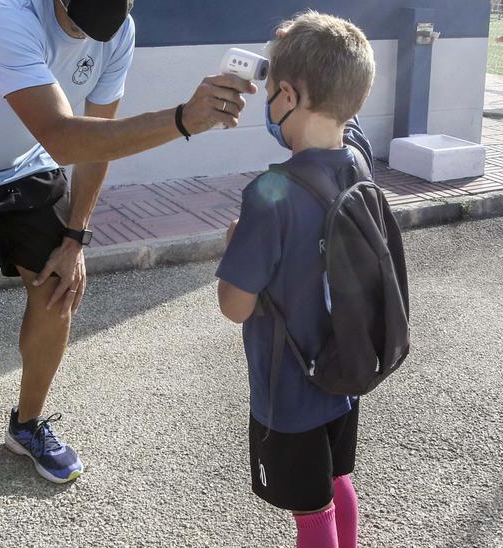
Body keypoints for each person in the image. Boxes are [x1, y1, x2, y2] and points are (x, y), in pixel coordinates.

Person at [0, 0, 256, 533]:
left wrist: (76, 237)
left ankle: (27, 426)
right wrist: (184, 119)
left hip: (25, 165)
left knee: (57, 288)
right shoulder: (4, 16)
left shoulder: (119, 28)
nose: (83, 34)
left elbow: (97, 139)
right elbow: (65, 136)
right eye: (74, 20)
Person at [216, 11, 376, 548]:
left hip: (290, 392)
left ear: (284, 94)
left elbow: (235, 306)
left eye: (271, 93)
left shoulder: (269, 196)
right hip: (346, 373)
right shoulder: (358, 162)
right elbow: (339, 105)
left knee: (310, 511)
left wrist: (239, 244)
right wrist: (309, 53)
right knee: (335, 481)